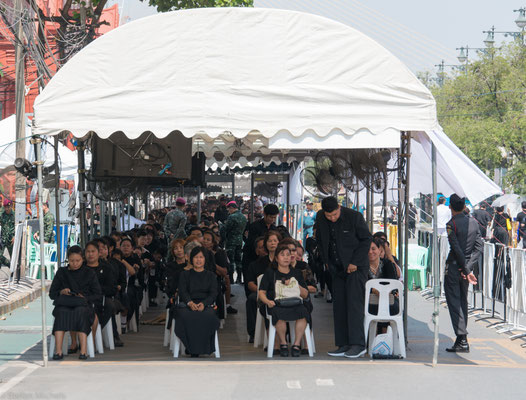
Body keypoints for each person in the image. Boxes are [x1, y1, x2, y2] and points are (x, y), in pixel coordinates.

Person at [315, 196, 372, 359]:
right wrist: (326, 261)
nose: (332, 218)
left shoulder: (354, 217)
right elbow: (320, 238)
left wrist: (355, 262)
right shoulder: (320, 217)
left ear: (339, 207)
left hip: (355, 267)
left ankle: (358, 344)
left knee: (354, 305)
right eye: (329, 216)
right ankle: (343, 343)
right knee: (339, 305)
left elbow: (366, 239)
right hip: (335, 267)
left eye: (334, 214)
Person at [444, 194, 482, 353]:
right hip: (465, 268)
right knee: (462, 302)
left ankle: (462, 338)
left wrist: (464, 268)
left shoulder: (451, 224)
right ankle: (461, 339)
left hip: (454, 267)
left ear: (450, 207)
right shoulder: (474, 222)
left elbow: (456, 249)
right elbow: (479, 247)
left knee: (454, 302)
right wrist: (468, 267)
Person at [49, 246, 102, 360]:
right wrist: (61, 291)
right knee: (61, 313)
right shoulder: (62, 272)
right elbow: (52, 294)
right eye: (72, 261)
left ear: (82, 259)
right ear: (68, 259)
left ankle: (83, 350)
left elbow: (98, 294)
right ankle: (58, 351)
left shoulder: (89, 273)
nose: (75, 263)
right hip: (65, 304)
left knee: (81, 312)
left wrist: (84, 297)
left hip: (83, 305)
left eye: (77, 260)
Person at [258, 243, 309, 357]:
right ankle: (283, 343)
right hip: (276, 304)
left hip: (295, 303)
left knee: (304, 312)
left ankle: (296, 344)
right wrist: (268, 302)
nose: (286, 257)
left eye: (288, 255)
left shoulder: (296, 273)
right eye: (282, 255)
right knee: (278, 313)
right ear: (276, 258)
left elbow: (305, 295)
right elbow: (261, 292)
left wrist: (295, 284)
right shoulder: (271, 273)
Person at [175, 246, 220, 357]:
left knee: (208, 316)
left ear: (205, 259)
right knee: (186, 316)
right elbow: (183, 291)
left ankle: (201, 348)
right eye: (196, 257)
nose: (198, 260)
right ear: (191, 259)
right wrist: (190, 303)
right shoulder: (184, 274)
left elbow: (213, 293)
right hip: (187, 304)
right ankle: (190, 347)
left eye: (201, 257)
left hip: (205, 305)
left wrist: (203, 304)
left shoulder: (211, 276)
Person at [242, 204, 279, 284]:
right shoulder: (254, 226)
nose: (272, 220)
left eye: (274, 217)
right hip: (251, 258)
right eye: (270, 217)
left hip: (266, 262)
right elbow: (251, 243)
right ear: (264, 214)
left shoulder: (274, 229)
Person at [245, 236, 268, 342]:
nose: (263, 249)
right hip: (260, 292)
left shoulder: (277, 263)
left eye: (265, 247)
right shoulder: (253, 265)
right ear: (256, 251)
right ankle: (253, 333)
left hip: (277, 292)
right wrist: (261, 292)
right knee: (251, 299)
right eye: (260, 247)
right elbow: (250, 284)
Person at [221, 201, 247, 284]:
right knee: (239, 261)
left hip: (231, 241)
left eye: (229, 209)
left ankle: (231, 279)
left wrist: (221, 226)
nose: (228, 211)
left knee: (231, 261)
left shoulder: (231, 217)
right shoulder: (243, 217)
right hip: (239, 241)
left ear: (232, 208)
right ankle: (239, 278)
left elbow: (226, 228)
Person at [0, 199, 15, 267]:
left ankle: (13, 271)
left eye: (8, 207)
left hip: (11, 240)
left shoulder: (14, 215)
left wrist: (15, 236)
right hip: (3, 239)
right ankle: (9, 264)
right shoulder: (2, 214)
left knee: (13, 258)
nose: (6, 209)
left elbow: (18, 226)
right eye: (5, 207)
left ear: (11, 206)